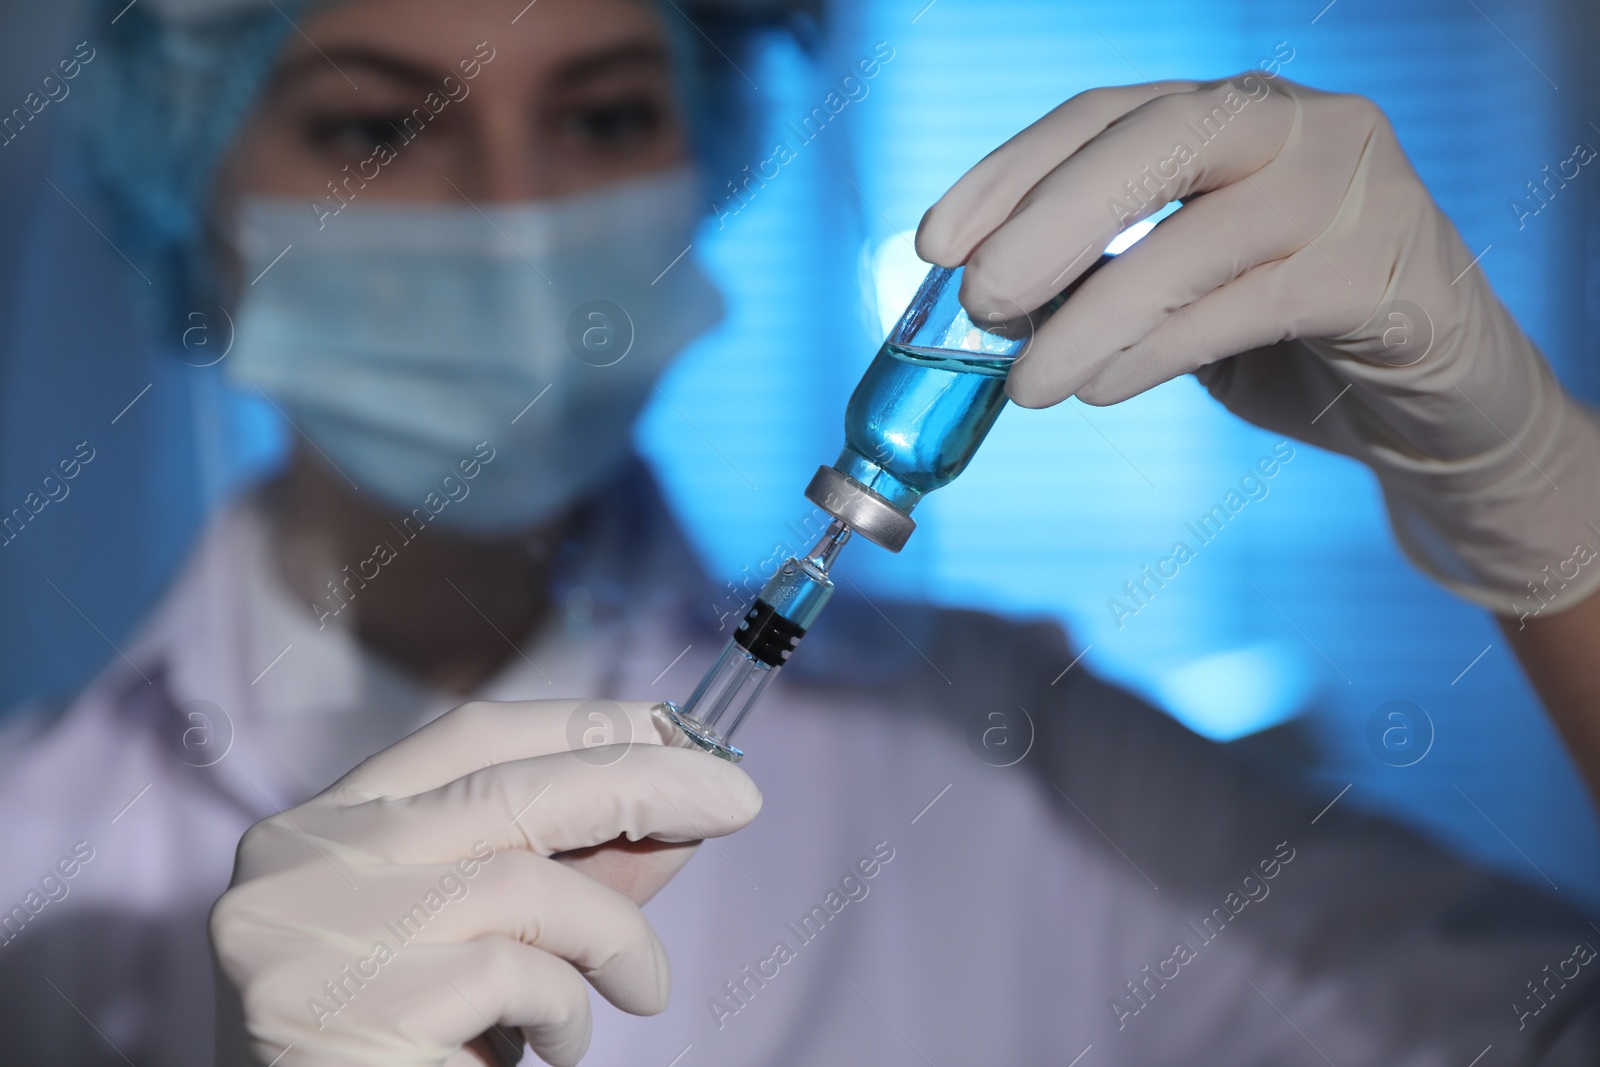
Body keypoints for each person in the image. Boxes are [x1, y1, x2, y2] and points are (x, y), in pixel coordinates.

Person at [0, 2, 1596, 1066]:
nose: (512, 217)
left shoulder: (1013, 764)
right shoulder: (25, 865)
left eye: (606, 115)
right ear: (191, 193)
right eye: (375, 131)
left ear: (702, 154)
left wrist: (1551, 519)